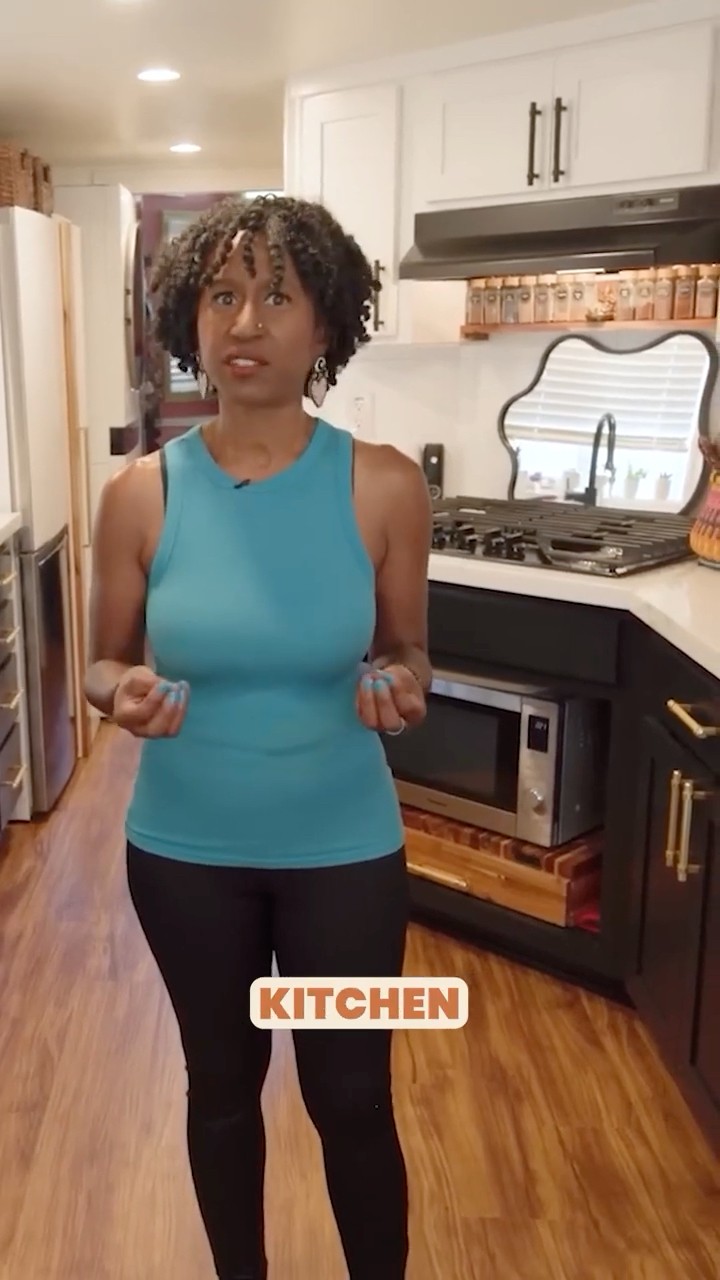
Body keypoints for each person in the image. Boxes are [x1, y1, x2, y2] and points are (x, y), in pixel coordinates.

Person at [83, 192, 433, 1280]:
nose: (245, 322)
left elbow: (409, 653)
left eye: (277, 297)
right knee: (222, 1087)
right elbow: (100, 664)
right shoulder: (140, 495)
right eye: (222, 296)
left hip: (345, 856)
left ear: (324, 323)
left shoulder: (383, 484)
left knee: (352, 1097)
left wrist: (399, 685)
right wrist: (121, 692)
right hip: (186, 857)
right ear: (190, 320)